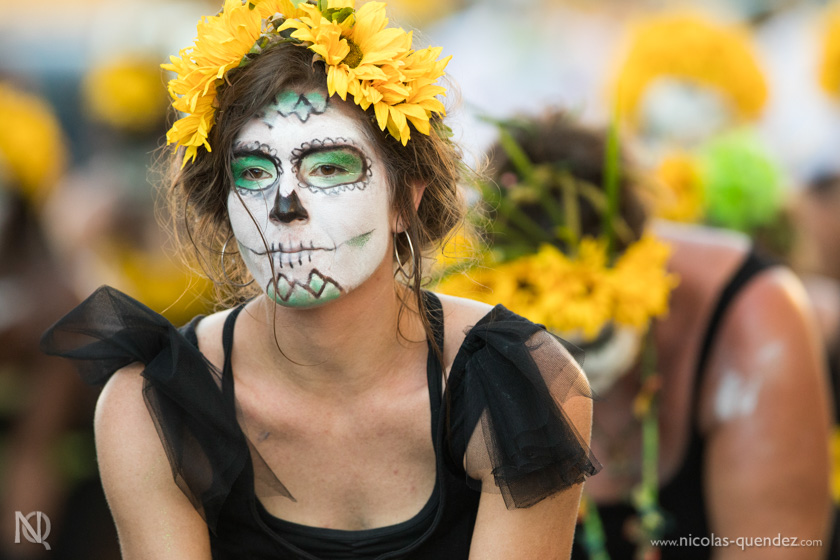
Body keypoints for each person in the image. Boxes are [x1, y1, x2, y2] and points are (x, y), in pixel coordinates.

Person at [40, 1, 599, 559]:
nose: (285, 206)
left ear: (406, 199)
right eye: (254, 172)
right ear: (225, 205)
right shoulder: (153, 404)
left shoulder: (515, 385)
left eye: (329, 168)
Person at [451, 112, 832, 559]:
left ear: (640, 257)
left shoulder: (752, 317)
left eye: (594, 295)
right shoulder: (463, 324)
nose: (580, 329)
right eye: (542, 303)